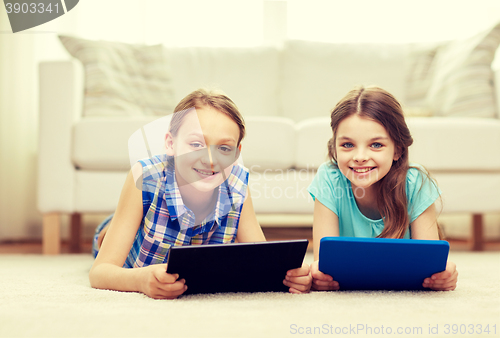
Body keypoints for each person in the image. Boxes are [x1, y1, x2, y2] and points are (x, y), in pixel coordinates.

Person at [89, 89, 312, 299]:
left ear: (236, 154)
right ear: (170, 144)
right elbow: (100, 272)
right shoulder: (145, 176)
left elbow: (263, 263)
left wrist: (290, 276)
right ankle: (110, 230)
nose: (211, 160)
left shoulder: (237, 185)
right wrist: (140, 280)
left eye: (224, 148)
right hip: (140, 236)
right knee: (109, 239)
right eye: (196, 144)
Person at [308, 86, 458, 291]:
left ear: (397, 149)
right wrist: (319, 276)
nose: (360, 157)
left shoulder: (414, 182)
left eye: (376, 145)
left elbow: (431, 266)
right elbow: (323, 266)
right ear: (334, 147)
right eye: (347, 145)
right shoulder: (329, 178)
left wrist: (442, 275)